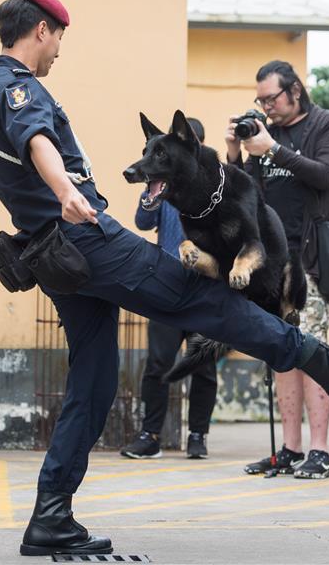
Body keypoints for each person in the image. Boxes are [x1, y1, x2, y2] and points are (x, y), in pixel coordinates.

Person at [0, 0, 329, 556]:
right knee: (201, 298)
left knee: (94, 383)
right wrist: (64, 192)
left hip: (56, 255)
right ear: (42, 30)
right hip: (85, 238)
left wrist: (39, 200)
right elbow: (39, 143)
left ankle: (51, 515)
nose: (59, 52)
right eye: (60, 40)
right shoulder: (17, 89)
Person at [224, 60, 329, 479]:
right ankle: (291, 449)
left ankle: (321, 451)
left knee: (312, 351)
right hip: (273, 262)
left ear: (294, 90)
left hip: (310, 259)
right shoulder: (265, 135)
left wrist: (274, 150)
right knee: (282, 354)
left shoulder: (327, 127)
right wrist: (236, 154)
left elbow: (326, 174)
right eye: (259, 101)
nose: (266, 107)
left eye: (270, 99)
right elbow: (249, 197)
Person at [120, 118, 217, 461]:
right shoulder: (162, 184)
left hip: (206, 288)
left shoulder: (213, 186)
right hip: (166, 286)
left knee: (203, 365)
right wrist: (151, 193)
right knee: (157, 365)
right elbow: (143, 223)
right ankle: (150, 435)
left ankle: (197, 436)